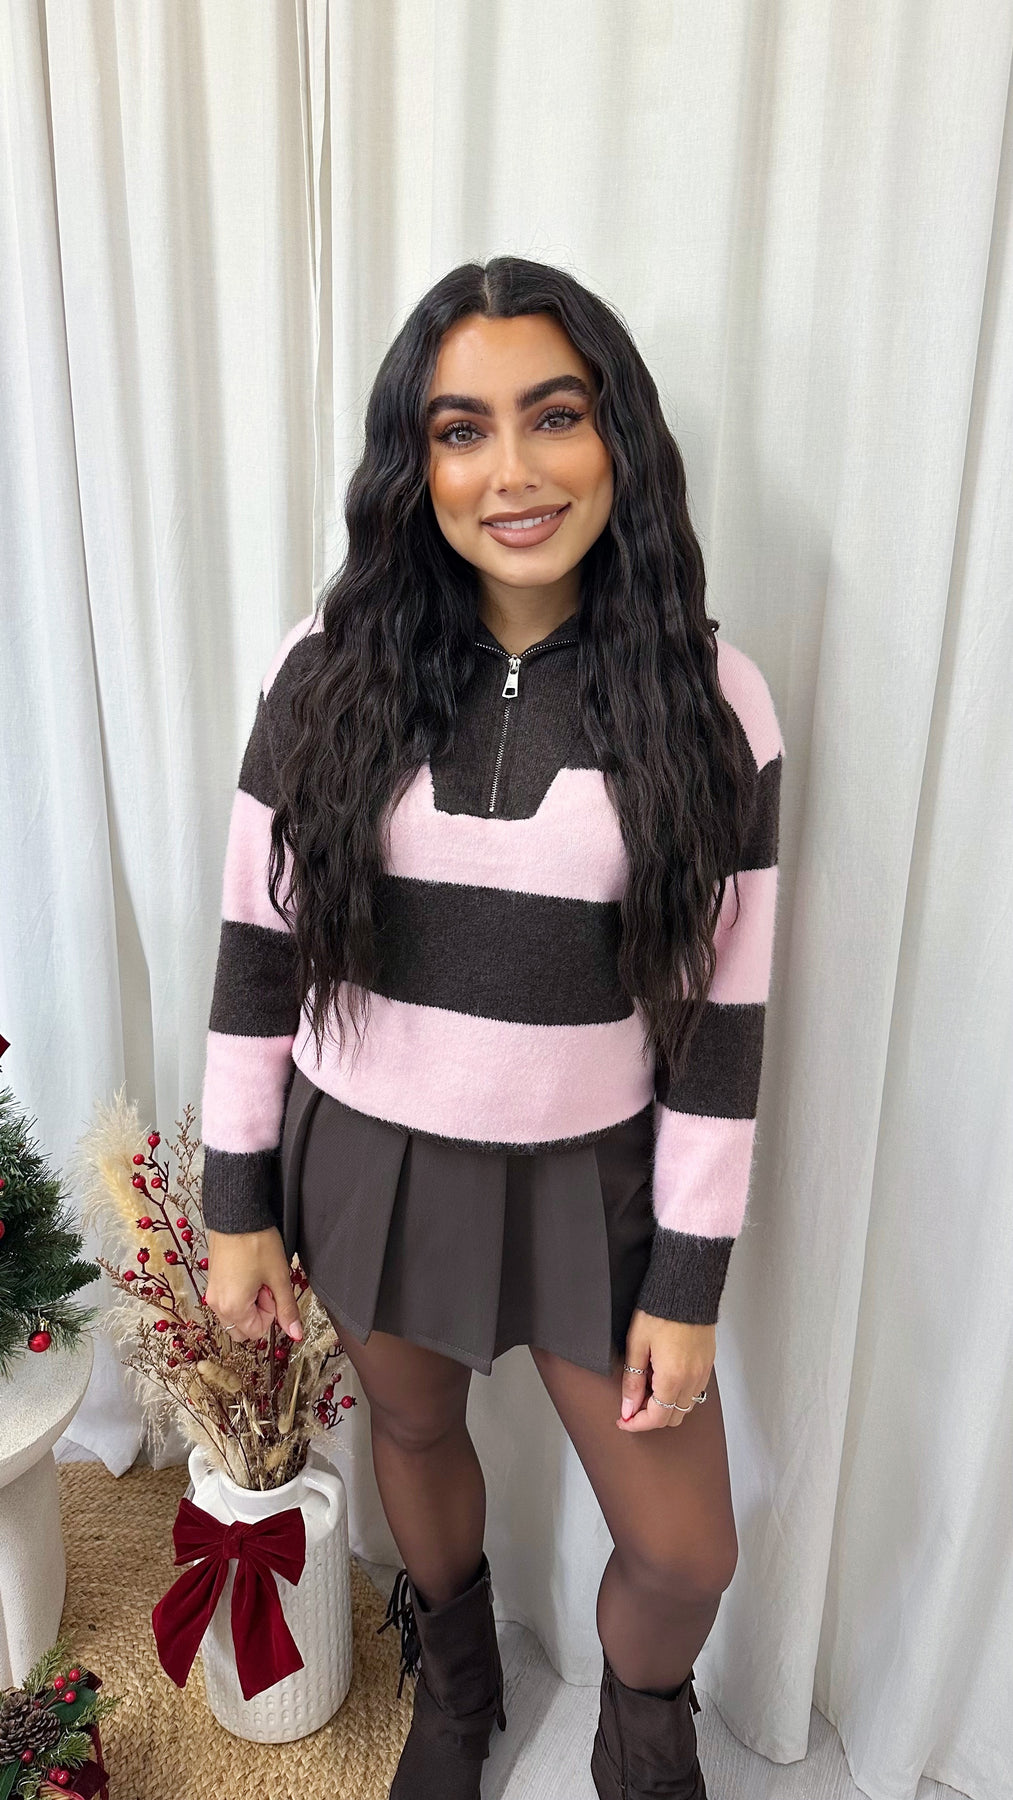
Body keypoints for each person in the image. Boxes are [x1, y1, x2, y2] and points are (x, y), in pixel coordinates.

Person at [200, 255, 783, 1800]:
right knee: (411, 1432)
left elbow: (723, 1019)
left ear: (617, 438)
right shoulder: (321, 669)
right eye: (461, 430)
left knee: (684, 1550)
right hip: (371, 1156)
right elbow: (256, 951)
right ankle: (457, 1695)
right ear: (417, 465)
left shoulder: (714, 701)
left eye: (554, 416)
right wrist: (236, 1203)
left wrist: (687, 1285)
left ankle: (640, 1747)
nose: (511, 470)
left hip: (596, 1177)